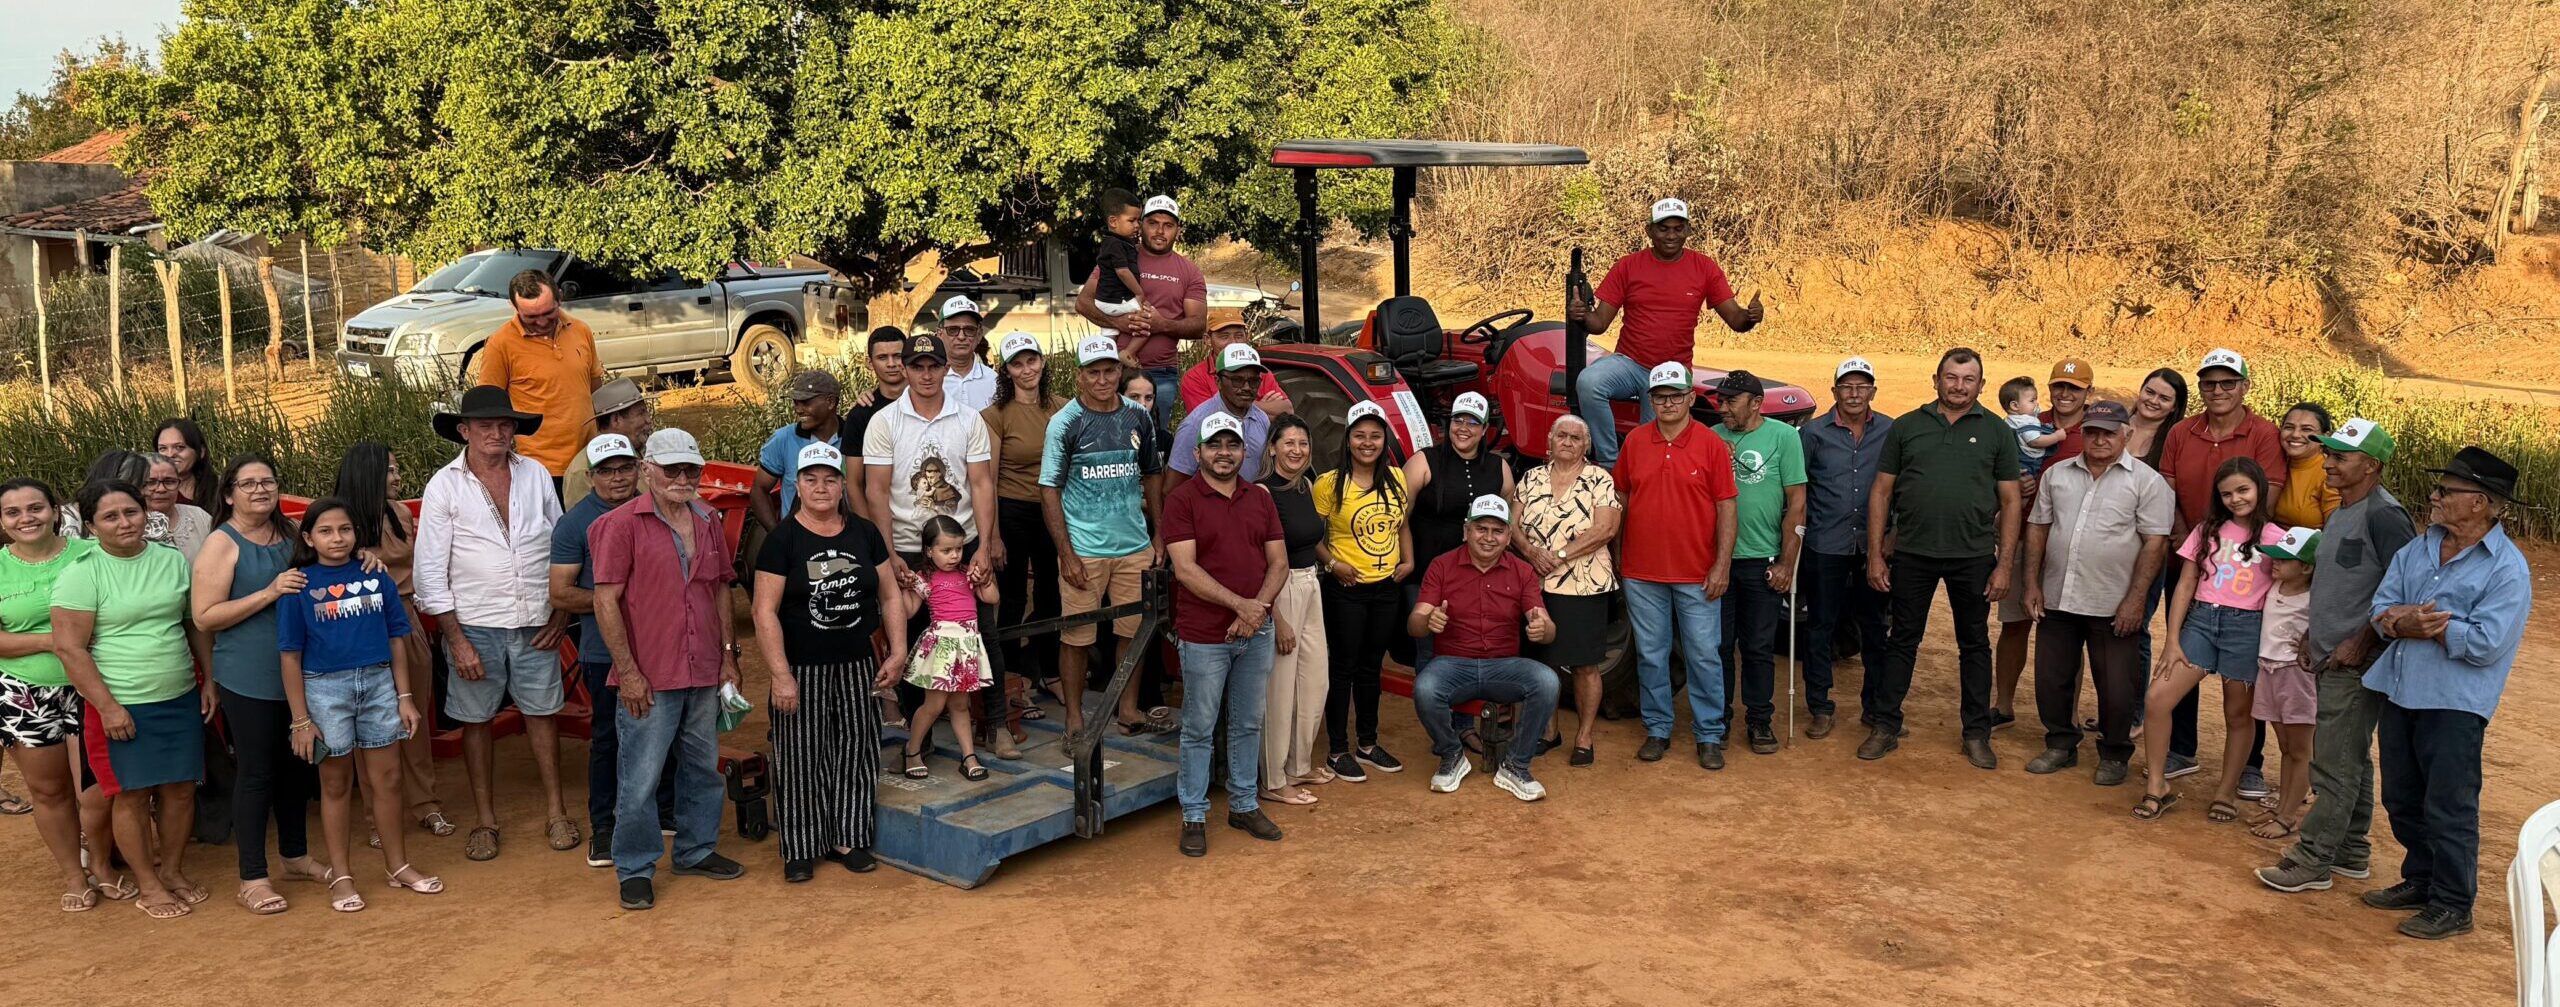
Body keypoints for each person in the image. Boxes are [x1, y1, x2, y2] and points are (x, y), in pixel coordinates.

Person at [2359, 446, 2531, 941]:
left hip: (2454, 703)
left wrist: (2428, 626)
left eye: (2446, 491)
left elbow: (2486, 643)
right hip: (2399, 690)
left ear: (2479, 502)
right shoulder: (2418, 547)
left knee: (2449, 805)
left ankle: (2454, 903)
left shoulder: (2507, 569)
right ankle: (2421, 880)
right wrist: (2399, 620)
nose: (2434, 497)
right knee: (2402, 796)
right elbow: (2382, 608)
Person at [414, 385, 575, 863]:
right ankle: (485, 820)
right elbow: (429, 572)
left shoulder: (536, 474)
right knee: (475, 720)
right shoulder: (444, 484)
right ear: (464, 431)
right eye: (486, 425)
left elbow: (563, 545)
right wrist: (456, 640)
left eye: (506, 425)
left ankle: (557, 811)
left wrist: (563, 612)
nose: (498, 433)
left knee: (543, 714)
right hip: (475, 624)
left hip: (536, 620)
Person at [2255, 417, 2416, 895]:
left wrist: (2360, 641)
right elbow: (2333, 583)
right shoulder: (2343, 510)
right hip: (2331, 655)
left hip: (2357, 661)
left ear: (2371, 466)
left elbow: (2402, 588)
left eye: (2340, 457)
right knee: (2351, 759)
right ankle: (2350, 852)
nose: (2328, 463)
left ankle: (2312, 860)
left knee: (2332, 763)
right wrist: (2313, 634)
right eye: (2328, 454)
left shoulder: (2385, 515)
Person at [591, 429, 747, 910]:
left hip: (702, 665)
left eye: (691, 470)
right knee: (639, 775)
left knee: (701, 767)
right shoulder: (620, 525)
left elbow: (720, 589)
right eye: (671, 469)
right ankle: (635, 867)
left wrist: (727, 655)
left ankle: (696, 850)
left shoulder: (706, 519)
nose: (682, 478)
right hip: (650, 673)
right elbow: (605, 600)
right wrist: (629, 671)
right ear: (647, 470)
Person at [276, 498, 442, 911]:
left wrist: (405, 697)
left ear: (357, 534)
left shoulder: (376, 575)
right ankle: (342, 876)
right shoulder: (298, 586)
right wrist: (300, 719)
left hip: (379, 684)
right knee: (335, 785)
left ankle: (398, 865)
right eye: (327, 531)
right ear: (309, 538)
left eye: (345, 530)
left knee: (388, 780)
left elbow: (395, 638)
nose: (338, 538)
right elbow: (290, 656)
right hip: (324, 691)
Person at [751, 441, 906, 882]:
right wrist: (780, 675)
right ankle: (801, 846)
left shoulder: (864, 532)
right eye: (811, 479)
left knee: (857, 749)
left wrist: (896, 651)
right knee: (801, 755)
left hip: (858, 662)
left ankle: (849, 838)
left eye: (830, 479)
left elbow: (890, 594)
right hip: (802, 666)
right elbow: (764, 612)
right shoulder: (782, 540)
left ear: (842, 485)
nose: (821, 487)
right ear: (796, 485)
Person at [53, 479, 208, 919]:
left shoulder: (170, 560)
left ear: (146, 514)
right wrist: (107, 707)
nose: (124, 522)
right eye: (110, 516)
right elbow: (70, 648)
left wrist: (209, 680)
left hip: (178, 692)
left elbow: (191, 623)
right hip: (121, 703)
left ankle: (174, 871)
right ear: (90, 525)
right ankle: (149, 884)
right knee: (133, 796)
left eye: (131, 512)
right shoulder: (82, 572)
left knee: (180, 790)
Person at [1862, 347, 2021, 768]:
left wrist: (2004, 564)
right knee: (1902, 641)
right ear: (1936, 379)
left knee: (1974, 645)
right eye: (1951, 377)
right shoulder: (1908, 427)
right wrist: (1876, 555)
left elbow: (2010, 500)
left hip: (1972, 556)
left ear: (1981, 385)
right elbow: (1881, 491)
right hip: (1913, 553)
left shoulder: (1997, 432)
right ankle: (1885, 725)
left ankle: (1976, 733)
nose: (1959, 386)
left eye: (1969, 379)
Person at [189, 454, 326, 913]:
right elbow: (204, 616)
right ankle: (252, 877)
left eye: (267, 481)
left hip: (299, 670)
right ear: (228, 495)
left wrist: (365, 555)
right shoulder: (222, 544)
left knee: (297, 768)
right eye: (247, 484)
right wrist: (268, 592)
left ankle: (295, 854)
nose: (260, 490)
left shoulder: (290, 532)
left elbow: (329, 557)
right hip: (247, 674)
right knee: (256, 773)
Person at [2018, 401, 2171, 784]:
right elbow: (2038, 527)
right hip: (2058, 596)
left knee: (2118, 687)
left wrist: (2136, 599)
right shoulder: (2057, 475)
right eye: (2092, 431)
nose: (2100, 439)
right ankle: (2060, 744)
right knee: (2052, 679)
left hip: (2113, 602)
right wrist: (2033, 583)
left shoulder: (2147, 482)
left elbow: (2155, 544)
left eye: (2109, 432)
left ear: (2127, 434)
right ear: (2081, 433)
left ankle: (2115, 753)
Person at [1163, 411, 1290, 855]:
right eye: (1214, 445)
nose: (1224, 453)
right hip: (1204, 635)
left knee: (1248, 721)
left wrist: (1256, 614)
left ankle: (1243, 804)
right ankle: (1194, 814)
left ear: (1244, 452)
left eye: (1232, 445)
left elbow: (1279, 562)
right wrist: (1243, 606)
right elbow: (1185, 569)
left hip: (1255, 632)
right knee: (1199, 725)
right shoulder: (1182, 501)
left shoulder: (1260, 498)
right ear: (1197, 452)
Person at [2155, 348, 2282, 792]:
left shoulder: (2263, 432)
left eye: (2228, 382)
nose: (2218, 390)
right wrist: (2192, 539)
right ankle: (2182, 748)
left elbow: (2271, 491)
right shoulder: (2181, 431)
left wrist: (2229, 536)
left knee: (2245, 672)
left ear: (2244, 386)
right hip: (2191, 554)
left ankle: (2250, 763)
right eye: (2209, 383)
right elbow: (2167, 486)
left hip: (2246, 562)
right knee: (2187, 650)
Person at [2133, 457, 2284, 822]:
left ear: (2260, 488)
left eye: (2243, 490)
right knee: (2157, 698)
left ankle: (2225, 791)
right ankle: (2157, 785)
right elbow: (2185, 584)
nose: (2236, 499)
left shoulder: (2276, 538)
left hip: (2247, 627)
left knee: (2238, 714)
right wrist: (2172, 640)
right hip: (2202, 620)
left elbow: (2283, 591)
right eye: (2227, 493)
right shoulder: (2207, 530)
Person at [1562, 198, 1763, 466]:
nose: (1671, 235)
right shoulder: (1628, 266)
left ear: (1688, 230)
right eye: (1663, 228)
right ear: (1649, 231)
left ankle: (1646, 474)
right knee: (1589, 382)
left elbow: (1736, 320)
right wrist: (1582, 315)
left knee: (1653, 448)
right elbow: (1599, 323)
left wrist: (1751, 317)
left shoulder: (1704, 268)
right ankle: (1611, 462)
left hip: (1674, 368)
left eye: (1678, 229)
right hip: (1630, 363)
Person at [549, 434, 672, 868]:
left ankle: (664, 807)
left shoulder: (661, 508)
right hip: (604, 650)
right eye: (606, 470)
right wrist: (617, 598)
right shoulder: (575, 523)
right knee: (608, 738)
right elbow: (561, 594)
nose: (617, 477)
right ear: (590, 476)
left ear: (640, 468)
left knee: (664, 730)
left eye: (625, 468)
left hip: (660, 646)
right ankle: (603, 826)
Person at [1612, 361, 1740, 769]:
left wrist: (1721, 566)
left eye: (1675, 395)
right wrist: (1618, 558)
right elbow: (1623, 501)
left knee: (1704, 653)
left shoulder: (1711, 444)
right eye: (1659, 396)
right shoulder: (1635, 442)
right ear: (1650, 400)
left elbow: (1726, 507)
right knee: (1651, 654)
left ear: (1689, 398)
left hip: (1697, 572)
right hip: (1642, 571)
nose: (1667, 403)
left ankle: (1709, 734)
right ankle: (1658, 728)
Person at [1040, 336, 1166, 734]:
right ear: (1079, 377)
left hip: (1133, 546)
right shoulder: (1065, 423)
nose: (1101, 379)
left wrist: (1158, 535)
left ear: (1119, 371)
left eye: (1109, 370)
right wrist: (1066, 553)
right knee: (1077, 637)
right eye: (1092, 372)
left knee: (1134, 632)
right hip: (1085, 549)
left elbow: (1152, 475)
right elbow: (1048, 489)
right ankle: (1075, 718)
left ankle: (1127, 709)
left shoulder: (1138, 417)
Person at [331, 443, 452, 839]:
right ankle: (376, 819)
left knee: (414, 715)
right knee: (369, 726)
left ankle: (426, 804)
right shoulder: (338, 520)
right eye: (390, 471)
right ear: (367, 475)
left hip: (403, 616)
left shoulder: (400, 513)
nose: (398, 478)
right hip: (357, 624)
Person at [1407, 495, 1561, 803]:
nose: (1489, 537)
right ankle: (1452, 755)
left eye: (1497, 530)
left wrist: (1543, 629)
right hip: (1453, 663)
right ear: (1466, 531)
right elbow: (1415, 622)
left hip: (1503, 666)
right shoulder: (1442, 565)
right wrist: (1428, 619)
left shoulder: (1522, 571)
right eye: (1481, 529)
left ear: (1508, 537)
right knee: (1425, 687)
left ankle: (1516, 766)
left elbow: (1547, 627)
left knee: (1547, 681)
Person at [0, 479, 108, 912]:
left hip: (92, 685)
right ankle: (73, 874)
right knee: (48, 792)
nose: (26, 518)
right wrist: (56, 641)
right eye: (13, 512)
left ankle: (102, 863)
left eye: (35, 508)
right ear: (2, 521)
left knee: (97, 790)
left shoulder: (90, 553)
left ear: (55, 510)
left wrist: (71, 645)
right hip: (24, 692)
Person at [1990, 359, 2093, 731]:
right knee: (2014, 624)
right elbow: (1995, 473)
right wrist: (2012, 486)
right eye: (2059, 387)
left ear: (2088, 393)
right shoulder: (2030, 421)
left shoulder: (2095, 431)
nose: (2065, 394)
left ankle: (2069, 714)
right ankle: (2002, 705)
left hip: (2068, 544)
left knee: (2069, 634)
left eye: (2075, 388)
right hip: (2019, 537)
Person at [1314, 401, 1412, 782]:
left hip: (1385, 587)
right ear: (1348, 439)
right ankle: (1338, 749)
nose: (1367, 442)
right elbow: (1312, 535)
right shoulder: (1329, 483)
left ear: (1384, 439)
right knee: (1343, 668)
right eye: (1360, 435)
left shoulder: (1396, 478)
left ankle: (1367, 744)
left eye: (1375, 435)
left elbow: (1400, 525)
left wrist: (1409, 560)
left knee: (1372, 667)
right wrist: (1331, 563)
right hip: (1346, 589)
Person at [1514, 415, 1619, 765]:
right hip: (1534, 583)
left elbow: (1605, 529)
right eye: (1563, 435)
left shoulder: (1599, 480)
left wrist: (1557, 556)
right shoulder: (1531, 478)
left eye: (1577, 437)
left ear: (1586, 445)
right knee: (1542, 662)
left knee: (1584, 665)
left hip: (1584, 585)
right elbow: (1511, 525)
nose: (1569, 442)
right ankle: (1548, 730)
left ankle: (1585, 737)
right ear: (1550, 439)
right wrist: (1531, 553)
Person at [1710, 370, 1805, 756]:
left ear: (1755, 402)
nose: (1723, 408)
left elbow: (1796, 503)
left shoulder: (1785, 438)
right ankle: (1718, 719)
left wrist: (1786, 563)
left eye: (1731, 401)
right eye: (1721, 401)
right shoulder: (1712, 437)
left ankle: (1759, 719)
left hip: (1761, 559)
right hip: (1717, 561)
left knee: (1759, 646)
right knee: (1716, 646)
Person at [1797, 358, 1891, 741]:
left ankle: (1875, 707)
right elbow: (1799, 490)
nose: (1854, 394)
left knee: (1874, 627)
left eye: (1862, 387)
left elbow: (1897, 488)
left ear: (1872, 391)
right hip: (1825, 544)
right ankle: (1820, 706)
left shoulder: (1890, 431)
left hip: (1873, 547)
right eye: (1846, 387)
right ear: (1834, 392)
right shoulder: (1813, 433)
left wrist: (1888, 541)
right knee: (1820, 627)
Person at [983, 333, 1063, 736]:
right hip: (1012, 508)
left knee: (1052, 592)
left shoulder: (1061, 407)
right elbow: (990, 476)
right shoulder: (997, 413)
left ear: (1042, 362)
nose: (1026, 369)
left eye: (1032, 361)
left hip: (1053, 510)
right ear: (1007, 370)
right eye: (1017, 363)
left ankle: (1050, 671)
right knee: (1012, 595)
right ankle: (1013, 679)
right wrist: (993, 534)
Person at [1402, 391, 1513, 676]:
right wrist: (1408, 561)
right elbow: (1398, 517)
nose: (1463, 428)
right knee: (1429, 649)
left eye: (1473, 423)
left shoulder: (1498, 468)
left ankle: (1463, 721)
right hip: (1426, 573)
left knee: (1467, 648)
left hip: (1476, 578)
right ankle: (1434, 716)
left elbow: (1508, 521)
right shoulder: (1424, 461)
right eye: (1458, 420)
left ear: (1485, 429)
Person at [1077, 194, 1208, 431]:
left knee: (1153, 442)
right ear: (1141, 225)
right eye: (1153, 223)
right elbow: (1083, 303)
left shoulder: (1190, 272)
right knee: (1110, 438)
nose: (1160, 231)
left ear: (1178, 230)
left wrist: (1162, 324)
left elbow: (1198, 326)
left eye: (1168, 225)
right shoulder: (1119, 254)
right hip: (1116, 371)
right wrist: (1119, 322)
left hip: (1162, 374)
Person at [1257, 415, 1331, 803]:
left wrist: (1330, 565)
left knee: (1315, 680)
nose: (1297, 451)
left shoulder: (1305, 486)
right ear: (1272, 448)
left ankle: (1298, 764)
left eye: (1303, 444)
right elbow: (1258, 559)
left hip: (1310, 582)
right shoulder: (1262, 493)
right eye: (1288, 443)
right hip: (1279, 590)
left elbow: (1310, 539)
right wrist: (1275, 614)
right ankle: (1273, 780)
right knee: (1280, 689)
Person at [474, 270, 605, 485]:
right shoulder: (500, 344)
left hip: (589, 460)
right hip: (539, 468)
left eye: (548, 313)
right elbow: (489, 409)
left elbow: (596, 389)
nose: (542, 322)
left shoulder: (581, 330)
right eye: (531, 317)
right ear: (514, 307)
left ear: (559, 297)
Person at [895, 516, 1000, 781]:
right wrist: (903, 588)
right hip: (942, 647)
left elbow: (992, 598)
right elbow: (908, 612)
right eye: (946, 550)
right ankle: (913, 750)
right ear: (929, 551)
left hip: (966, 646)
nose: (954, 556)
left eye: (958, 549)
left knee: (960, 704)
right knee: (933, 705)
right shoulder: (924, 578)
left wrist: (985, 580)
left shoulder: (969, 573)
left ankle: (968, 756)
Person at [2248, 526, 2320, 840]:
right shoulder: (2275, 586)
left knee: (2300, 749)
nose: (2274, 563)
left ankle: (2289, 815)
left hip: (2296, 676)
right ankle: (2282, 808)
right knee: (2286, 746)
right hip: (2269, 671)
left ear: (2306, 567)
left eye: (2284, 559)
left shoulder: (2314, 598)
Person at [1169, 344, 1275, 488]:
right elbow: (1173, 488)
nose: (1246, 387)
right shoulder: (1196, 424)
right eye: (1237, 380)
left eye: (1253, 381)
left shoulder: (1261, 418)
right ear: (1218, 381)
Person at [753, 371, 845, 531]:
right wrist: (778, 535)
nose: (798, 410)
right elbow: (759, 490)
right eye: (796, 403)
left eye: (805, 403)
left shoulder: (857, 438)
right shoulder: (783, 439)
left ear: (830, 402)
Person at [1178, 308, 1289, 416]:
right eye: (1224, 336)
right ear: (1207, 339)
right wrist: (1263, 409)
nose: (1233, 342)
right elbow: (1208, 420)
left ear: (1247, 337)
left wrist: (1233, 407)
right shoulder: (1195, 377)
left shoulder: (1259, 371)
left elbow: (1287, 409)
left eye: (1239, 336)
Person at [560, 378, 651, 505]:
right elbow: (583, 521)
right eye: (641, 413)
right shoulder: (582, 469)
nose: (648, 420)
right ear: (616, 420)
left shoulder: (642, 451)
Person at [2272, 403, 2343, 528]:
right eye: (2289, 427)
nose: (2295, 435)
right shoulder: (2271, 462)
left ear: (2324, 437)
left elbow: (2336, 529)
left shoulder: (2330, 473)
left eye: (2306, 429)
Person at [1089, 188, 1148, 319]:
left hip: (1109, 301)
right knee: (1147, 316)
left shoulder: (1119, 242)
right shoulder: (1114, 243)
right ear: (1113, 222)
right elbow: (1122, 271)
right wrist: (1139, 293)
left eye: (1138, 220)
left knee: (1110, 337)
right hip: (1113, 301)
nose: (1137, 225)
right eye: (1132, 220)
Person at [936, 296, 1000, 412]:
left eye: (969, 330)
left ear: (979, 334)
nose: (961, 337)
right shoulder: (929, 380)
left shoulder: (993, 381)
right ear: (939, 334)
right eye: (953, 330)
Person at [2000, 378, 2066, 478]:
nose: (2036, 404)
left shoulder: (2010, 420)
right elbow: (2035, 441)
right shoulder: (2026, 421)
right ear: (2014, 405)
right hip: (2028, 462)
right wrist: (2056, 436)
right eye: (2032, 401)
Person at [153, 417, 215, 508]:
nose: (170, 454)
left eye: (179, 447)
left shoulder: (220, 489)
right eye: (163, 448)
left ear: (201, 451)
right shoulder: (151, 494)